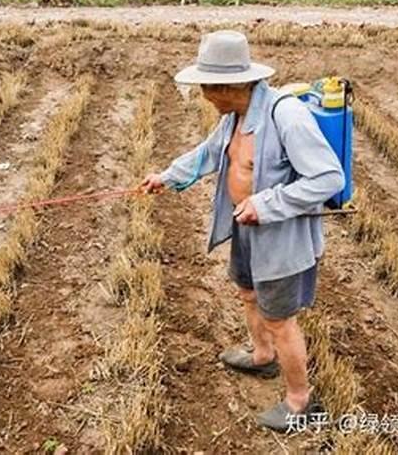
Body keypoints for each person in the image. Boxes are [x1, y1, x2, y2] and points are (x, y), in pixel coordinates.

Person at [141, 30, 345, 432]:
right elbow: (209, 153)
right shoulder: (236, 115)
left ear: (229, 85)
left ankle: (301, 403)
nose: (203, 96)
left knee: (280, 318)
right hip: (246, 229)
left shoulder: (286, 115)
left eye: (206, 88)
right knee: (248, 294)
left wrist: (266, 204)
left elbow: (328, 178)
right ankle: (261, 355)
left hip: (280, 238)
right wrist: (166, 176)